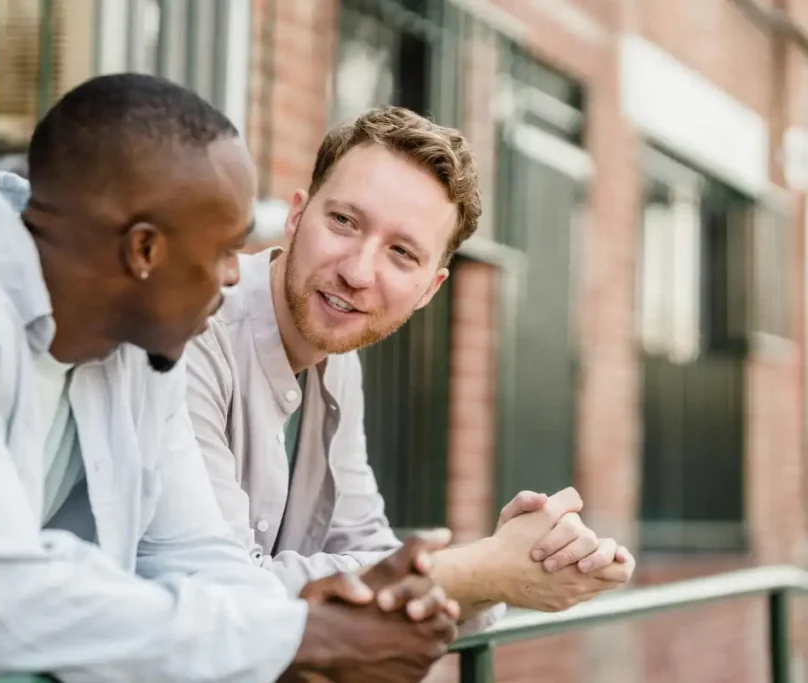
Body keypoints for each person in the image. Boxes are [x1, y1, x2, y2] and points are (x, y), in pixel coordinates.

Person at [0, 75, 459, 683]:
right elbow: (4, 598)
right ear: (144, 250)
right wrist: (302, 636)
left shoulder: (136, 348)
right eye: (224, 251)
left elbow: (195, 556)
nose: (237, 276)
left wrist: (316, 626)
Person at [185, 105, 636, 627]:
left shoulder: (338, 360)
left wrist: (520, 563)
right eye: (344, 221)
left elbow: (366, 544)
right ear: (295, 216)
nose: (356, 272)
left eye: (401, 252)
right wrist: (479, 570)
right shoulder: (193, 327)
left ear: (430, 290)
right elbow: (220, 591)